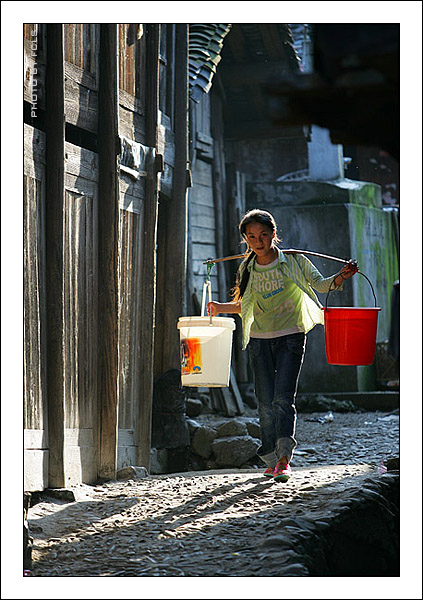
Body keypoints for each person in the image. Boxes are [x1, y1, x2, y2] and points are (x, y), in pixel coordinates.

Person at [207, 209, 358, 483]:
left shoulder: (295, 261)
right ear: (245, 239)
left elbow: (322, 286)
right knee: (265, 402)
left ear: (274, 235)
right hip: (259, 340)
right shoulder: (247, 268)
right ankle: (269, 456)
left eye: (263, 235)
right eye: (251, 237)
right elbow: (245, 305)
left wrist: (341, 277)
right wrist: (219, 307)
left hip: (291, 336)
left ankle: (284, 458)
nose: (258, 241)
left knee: (282, 399)